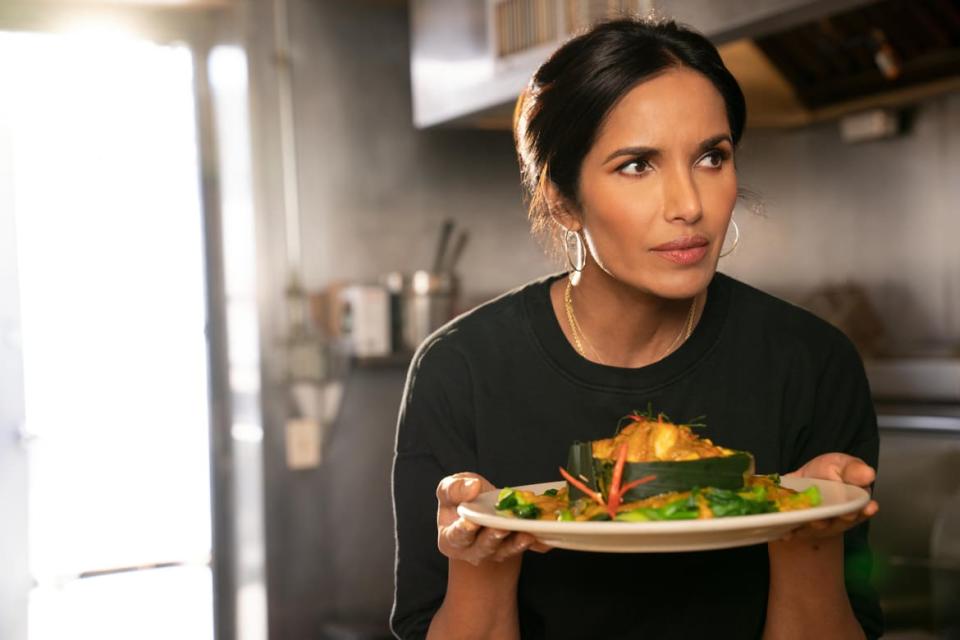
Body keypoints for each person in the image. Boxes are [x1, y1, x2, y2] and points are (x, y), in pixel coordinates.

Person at [391, 16, 883, 640]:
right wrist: (479, 562)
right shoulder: (461, 370)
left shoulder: (812, 362)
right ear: (561, 199)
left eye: (712, 156)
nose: (690, 205)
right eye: (636, 165)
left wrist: (806, 539)